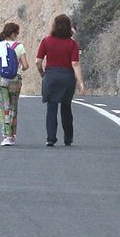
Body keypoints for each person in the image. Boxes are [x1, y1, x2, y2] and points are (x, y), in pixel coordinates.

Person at [35, 13, 83, 146]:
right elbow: (75, 64)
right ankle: (68, 138)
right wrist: (80, 82)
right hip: (67, 77)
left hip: (51, 76)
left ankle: (50, 138)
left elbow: (38, 61)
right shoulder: (72, 44)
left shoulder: (46, 41)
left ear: (54, 26)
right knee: (66, 107)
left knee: (52, 107)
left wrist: (42, 73)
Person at [0, 21, 29, 146]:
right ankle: (13, 134)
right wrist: (19, 68)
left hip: (1, 80)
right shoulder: (19, 46)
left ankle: (7, 135)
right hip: (15, 80)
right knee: (13, 107)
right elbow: (25, 65)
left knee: (3, 107)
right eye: (17, 33)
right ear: (13, 34)